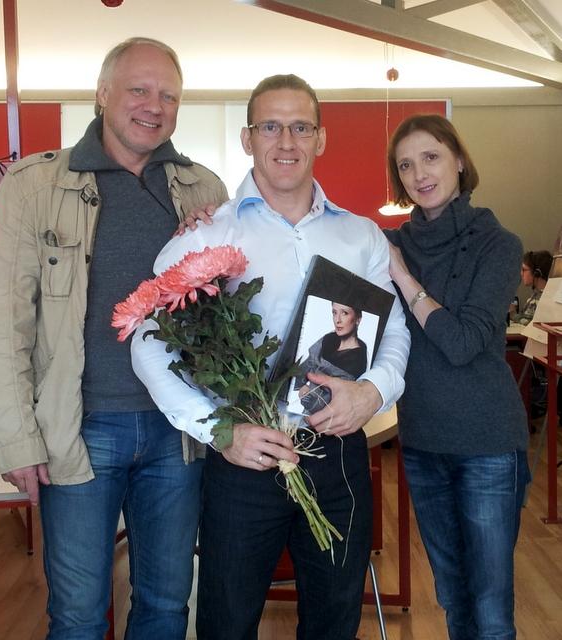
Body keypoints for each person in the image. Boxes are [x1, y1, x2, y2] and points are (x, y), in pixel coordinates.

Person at [131, 74, 410, 640]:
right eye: (271, 127)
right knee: (226, 623)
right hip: (243, 457)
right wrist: (217, 429)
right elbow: (147, 340)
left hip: (336, 453)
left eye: (301, 127)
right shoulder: (205, 235)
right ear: (247, 138)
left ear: (321, 138)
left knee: (335, 622)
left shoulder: (361, 236)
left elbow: (395, 328)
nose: (286, 141)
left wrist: (373, 392)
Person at [0, 37, 228, 639]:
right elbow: (6, 324)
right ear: (102, 93)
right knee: (78, 615)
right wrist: (17, 438)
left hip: (178, 432)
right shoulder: (34, 186)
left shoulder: (205, 190)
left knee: (167, 606)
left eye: (168, 95)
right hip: (77, 428)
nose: (154, 105)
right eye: (139, 89)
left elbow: (229, 313)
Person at [384, 114, 530, 640]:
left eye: (431, 157)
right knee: (451, 595)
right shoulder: (391, 241)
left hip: (487, 444)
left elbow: (464, 342)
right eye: (405, 165)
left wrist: (403, 277)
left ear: (460, 161)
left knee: (490, 606)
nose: (419, 174)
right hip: (423, 440)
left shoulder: (499, 244)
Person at [294, 302, 368, 414]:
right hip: (297, 406)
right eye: (334, 312)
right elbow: (307, 364)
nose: (337, 320)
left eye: (344, 313)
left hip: (326, 416)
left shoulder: (357, 359)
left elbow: (336, 397)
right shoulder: (329, 339)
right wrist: (301, 386)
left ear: (358, 319)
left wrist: (309, 399)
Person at [510, 249, 553, 325]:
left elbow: (533, 325)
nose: (521, 273)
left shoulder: (547, 299)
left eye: (524, 270)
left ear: (537, 273)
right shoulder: (534, 297)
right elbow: (524, 318)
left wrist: (513, 314)